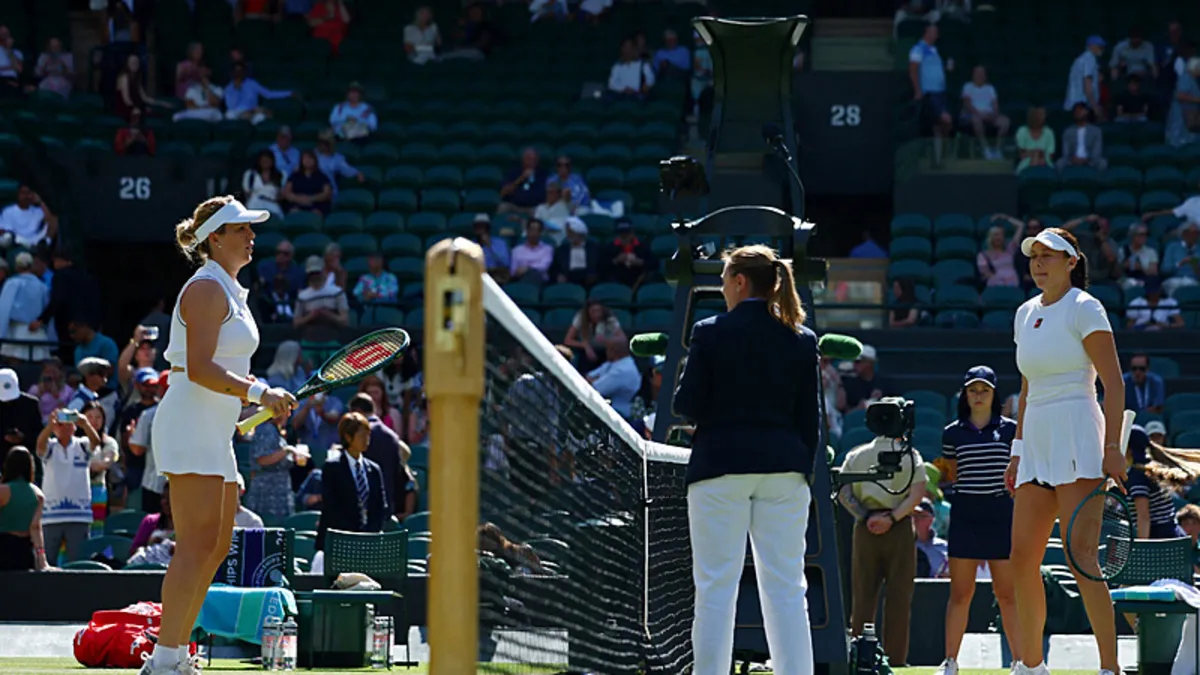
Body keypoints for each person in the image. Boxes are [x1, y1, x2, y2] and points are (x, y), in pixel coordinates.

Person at [141, 196, 296, 675]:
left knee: (215, 545)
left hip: (214, 429)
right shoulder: (206, 289)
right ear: (215, 237)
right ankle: (162, 661)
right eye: (241, 229)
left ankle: (177, 655)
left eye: (251, 229)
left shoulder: (230, 289)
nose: (251, 236)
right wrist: (260, 391)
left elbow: (223, 371)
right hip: (189, 424)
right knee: (195, 544)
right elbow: (203, 367)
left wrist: (255, 401)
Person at [672, 245, 820, 675]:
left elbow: (687, 404)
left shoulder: (710, 331)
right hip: (785, 471)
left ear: (739, 281)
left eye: (723, 279)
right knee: (788, 589)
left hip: (720, 469)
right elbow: (809, 419)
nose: (722, 287)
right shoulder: (801, 338)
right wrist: (800, 470)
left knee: (716, 588)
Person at [1005, 227, 1126, 675]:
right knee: (1021, 559)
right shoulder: (1023, 314)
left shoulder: (1086, 307)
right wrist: (1017, 451)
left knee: (1082, 559)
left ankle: (1110, 668)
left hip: (1079, 435)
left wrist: (1112, 447)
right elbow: (1027, 386)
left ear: (1071, 262)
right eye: (1034, 256)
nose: (1038, 263)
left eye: (1048, 256)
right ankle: (1031, 666)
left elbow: (1114, 383)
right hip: (1036, 441)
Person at [936, 366, 1021, 675]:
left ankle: (1019, 662)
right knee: (960, 593)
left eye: (984, 390)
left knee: (1007, 594)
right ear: (965, 394)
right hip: (965, 514)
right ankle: (950, 662)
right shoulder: (951, 433)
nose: (978, 395)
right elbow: (951, 475)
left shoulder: (1012, 430)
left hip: (1001, 514)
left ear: (994, 394)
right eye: (973, 390)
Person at [837, 431, 927, 667]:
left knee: (862, 597)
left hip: (866, 527)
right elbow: (917, 493)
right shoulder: (911, 456)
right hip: (899, 529)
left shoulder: (856, 455)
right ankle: (896, 660)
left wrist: (866, 515)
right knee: (899, 597)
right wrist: (893, 518)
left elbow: (843, 492)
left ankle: (859, 658)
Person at [36, 408, 101, 563]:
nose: (64, 427)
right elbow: (39, 446)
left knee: (79, 562)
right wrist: (49, 427)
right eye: (60, 424)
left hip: (79, 515)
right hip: (52, 515)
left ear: (74, 426)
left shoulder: (82, 445)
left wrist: (85, 423)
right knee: (47, 562)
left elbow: (96, 442)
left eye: (69, 423)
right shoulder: (50, 446)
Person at [316, 412, 389, 551]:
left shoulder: (374, 469)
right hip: (339, 544)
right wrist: (354, 536)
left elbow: (380, 506)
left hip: (367, 544)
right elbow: (332, 507)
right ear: (348, 437)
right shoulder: (332, 467)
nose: (367, 440)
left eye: (368, 435)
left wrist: (369, 535)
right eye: (362, 436)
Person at [1126, 425, 1200, 539]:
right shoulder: (1152, 467)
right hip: (1173, 537)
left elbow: (1144, 516)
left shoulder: (1137, 476)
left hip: (1160, 543)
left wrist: (1140, 549)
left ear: (1129, 449)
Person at [0, 447, 50, 570]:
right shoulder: (38, 494)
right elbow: (35, 528)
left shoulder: (3, 491)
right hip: (24, 550)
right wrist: (42, 560)